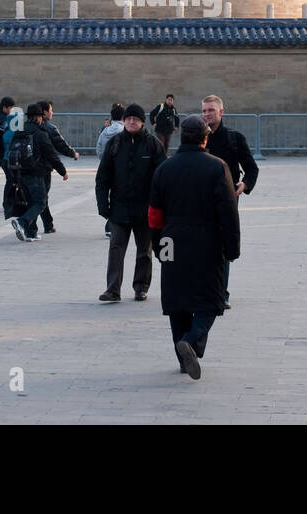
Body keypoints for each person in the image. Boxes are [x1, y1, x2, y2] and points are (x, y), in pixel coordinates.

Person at [149, 115, 240, 380]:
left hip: (171, 240)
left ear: (181, 137)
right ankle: (192, 340)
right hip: (207, 241)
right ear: (205, 137)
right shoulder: (217, 167)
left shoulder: (165, 169)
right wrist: (232, 248)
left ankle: (182, 357)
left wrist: (159, 248)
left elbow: (154, 214)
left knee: (176, 300)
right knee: (211, 299)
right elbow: (228, 212)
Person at [95, 103, 166, 301]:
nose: (131, 121)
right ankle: (112, 289)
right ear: (124, 120)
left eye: (135, 119)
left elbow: (163, 177)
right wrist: (103, 204)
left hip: (145, 209)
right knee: (116, 249)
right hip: (119, 208)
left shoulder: (153, 144)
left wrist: (160, 205)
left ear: (142, 122)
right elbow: (103, 177)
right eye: (128, 119)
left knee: (145, 251)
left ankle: (140, 287)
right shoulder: (115, 143)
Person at [200, 94, 258, 309]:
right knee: (202, 245)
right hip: (200, 200)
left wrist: (244, 185)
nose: (207, 115)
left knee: (223, 247)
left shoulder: (235, 138)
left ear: (221, 112)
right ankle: (205, 290)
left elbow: (251, 168)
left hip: (227, 201)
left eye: (211, 110)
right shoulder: (197, 136)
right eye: (204, 111)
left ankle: (221, 292)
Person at [6, 104, 68, 242]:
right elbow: (51, 154)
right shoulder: (40, 133)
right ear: (39, 117)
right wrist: (62, 171)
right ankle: (22, 222)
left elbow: (12, 151)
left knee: (30, 202)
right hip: (35, 172)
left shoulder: (19, 131)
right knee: (40, 202)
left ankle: (30, 233)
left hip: (20, 172)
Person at [39, 100, 80, 234]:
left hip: (25, 167)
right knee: (41, 197)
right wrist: (73, 153)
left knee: (38, 196)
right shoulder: (49, 128)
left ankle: (47, 224)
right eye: (51, 110)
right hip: (43, 168)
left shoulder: (24, 127)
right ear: (44, 112)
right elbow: (60, 145)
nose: (52, 113)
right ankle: (27, 222)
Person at [95, 104, 125, 238]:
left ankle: (110, 224)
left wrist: (104, 161)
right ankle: (110, 225)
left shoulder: (105, 131)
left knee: (109, 194)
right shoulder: (124, 130)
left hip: (107, 167)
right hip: (121, 168)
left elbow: (99, 149)